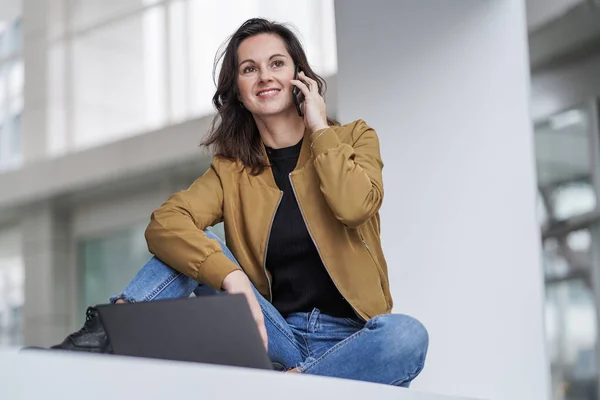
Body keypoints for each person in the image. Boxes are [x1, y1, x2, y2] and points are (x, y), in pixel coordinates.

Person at [51, 18, 428, 387]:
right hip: (276, 336)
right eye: (250, 69)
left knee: (406, 335)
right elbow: (166, 223)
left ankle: (295, 385)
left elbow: (354, 207)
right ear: (238, 90)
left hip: (354, 342)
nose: (265, 76)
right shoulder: (231, 170)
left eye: (276, 63)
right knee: (196, 246)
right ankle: (104, 338)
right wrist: (232, 278)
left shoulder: (353, 138)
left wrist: (320, 130)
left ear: (300, 76)